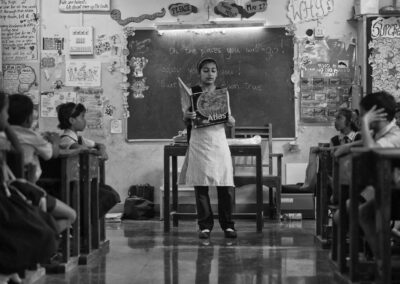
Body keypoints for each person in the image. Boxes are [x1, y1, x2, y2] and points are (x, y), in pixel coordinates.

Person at [334, 91, 400, 258]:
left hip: (395, 193)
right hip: (386, 191)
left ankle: (381, 260)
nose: (360, 118)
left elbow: (373, 153)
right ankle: (382, 257)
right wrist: (352, 144)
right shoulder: (378, 134)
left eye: (363, 114)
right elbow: (340, 151)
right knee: (349, 213)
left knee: (354, 212)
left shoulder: (395, 136)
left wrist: (364, 123)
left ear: (377, 114)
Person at [178, 57, 237, 239]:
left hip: (218, 142)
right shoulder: (191, 92)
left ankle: (228, 225)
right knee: (201, 185)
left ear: (217, 73)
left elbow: (230, 120)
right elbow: (185, 118)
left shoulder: (222, 93)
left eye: (213, 70)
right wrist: (187, 116)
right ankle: (205, 226)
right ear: (199, 73)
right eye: (205, 70)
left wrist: (231, 121)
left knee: (225, 184)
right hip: (199, 142)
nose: (209, 74)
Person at [7, 94, 76, 234]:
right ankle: (43, 237)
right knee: (71, 215)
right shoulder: (32, 137)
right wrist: (55, 141)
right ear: (28, 119)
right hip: (28, 190)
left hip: (6, 191)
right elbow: (52, 154)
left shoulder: (3, 135)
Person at [56, 102, 120, 217]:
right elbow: (82, 150)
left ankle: (86, 222)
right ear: (72, 120)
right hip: (71, 185)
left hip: (80, 181)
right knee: (107, 196)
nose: (84, 120)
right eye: (82, 117)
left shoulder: (78, 138)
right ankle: (85, 223)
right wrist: (98, 153)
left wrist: (101, 151)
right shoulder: (66, 140)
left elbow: (100, 145)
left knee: (110, 193)